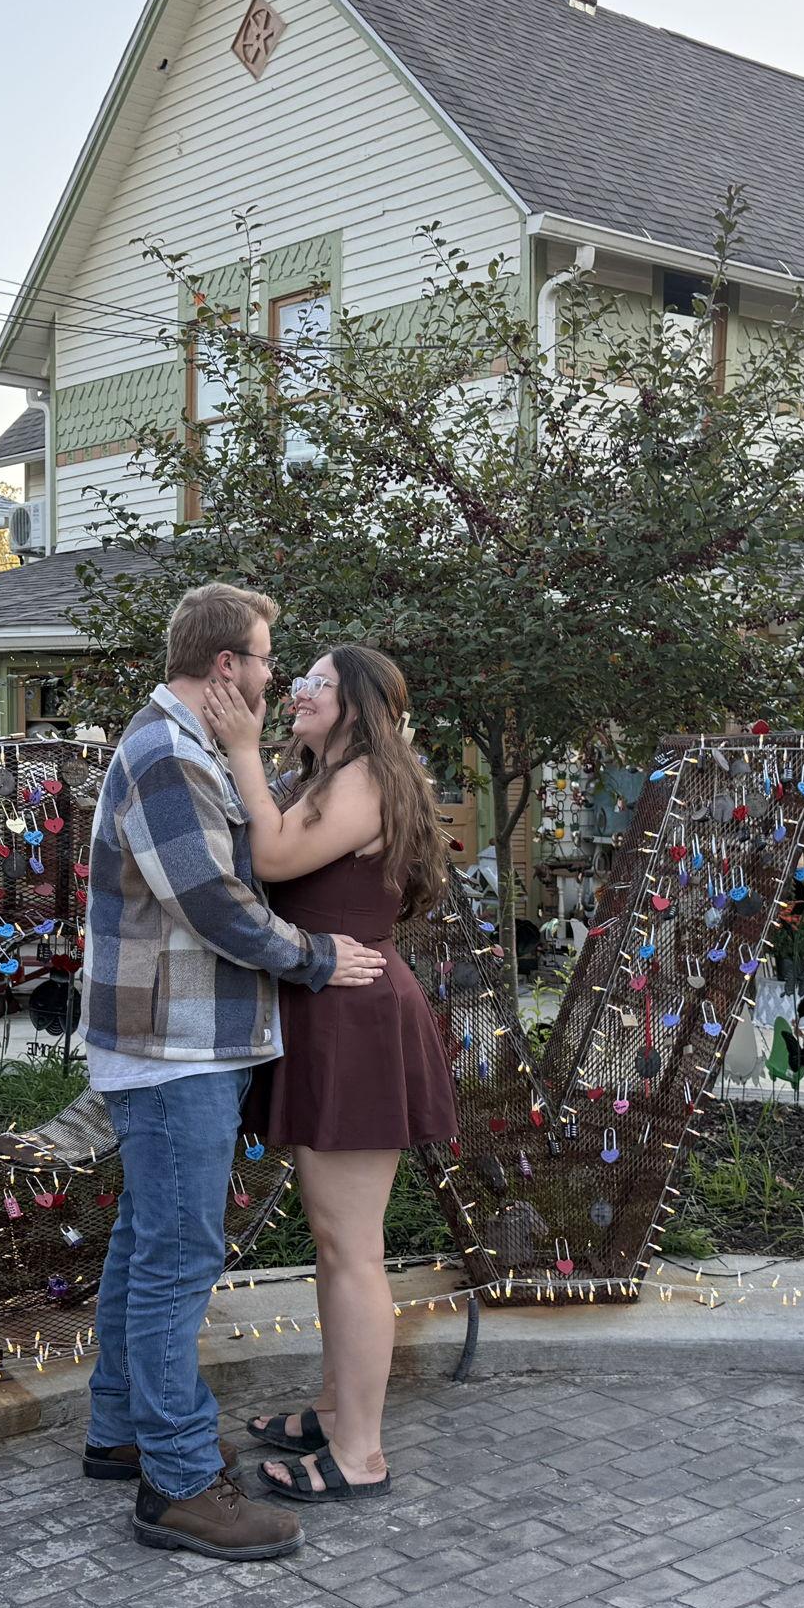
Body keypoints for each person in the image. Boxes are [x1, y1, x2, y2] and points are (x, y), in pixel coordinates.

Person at [80, 583, 388, 1561]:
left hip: (180, 1046)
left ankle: (118, 1428)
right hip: (174, 1051)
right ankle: (177, 1482)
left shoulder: (183, 748)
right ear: (226, 667)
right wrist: (314, 956)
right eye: (263, 657)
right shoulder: (166, 755)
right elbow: (214, 903)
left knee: (144, 1247)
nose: (271, 674)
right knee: (176, 1263)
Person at [200, 643, 456, 1503]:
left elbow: (270, 860)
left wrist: (241, 747)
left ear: (356, 705)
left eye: (314, 684)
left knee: (352, 1250)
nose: (298, 693)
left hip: (355, 1021)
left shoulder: (363, 782)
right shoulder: (334, 777)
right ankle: (334, 1408)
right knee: (335, 1243)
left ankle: (360, 1453)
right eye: (298, 680)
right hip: (330, 1013)